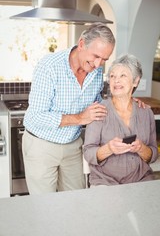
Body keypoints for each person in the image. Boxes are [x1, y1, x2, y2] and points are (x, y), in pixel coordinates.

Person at [22, 22, 115, 194]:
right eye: (96, 56)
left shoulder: (95, 73)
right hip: (42, 145)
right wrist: (80, 118)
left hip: (73, 145)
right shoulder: (49, 66)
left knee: (76, 202)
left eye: (104, 59)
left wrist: (128, 104)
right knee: (44, 206)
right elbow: (36, 116)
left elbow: (98, 105)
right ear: (81, 44)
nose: (98, 64)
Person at [83, 54, 158, 186]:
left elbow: (153, 155)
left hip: (141, 179)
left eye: (123, 75)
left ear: (135, 81)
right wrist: (109, 148)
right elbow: (88, 153)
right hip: (105, 182)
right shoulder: (98, 111)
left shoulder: (146, 113)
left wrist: (141, 148)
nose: (116, 80)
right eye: (112, 76)